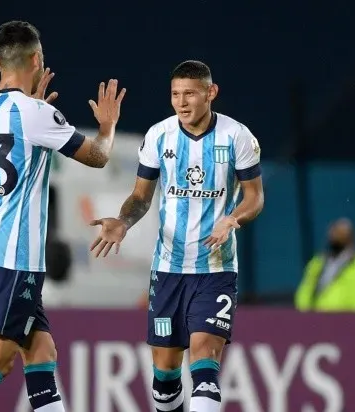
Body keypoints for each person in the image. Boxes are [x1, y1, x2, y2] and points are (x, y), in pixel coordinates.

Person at [0, 20, 126, 412]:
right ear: (37, 59)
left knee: (42, 352)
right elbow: (98, 157)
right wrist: (108, 126)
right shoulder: (36, 113)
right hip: (16, 258)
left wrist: (36, 117)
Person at [90, 60, 264, 412]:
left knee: (204, 360)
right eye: (175, 94)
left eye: (190, 94)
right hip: (168, 268)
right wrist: (124, 221)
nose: (181, 103)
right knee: (166, 374)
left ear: (210, 93)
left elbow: (255, 196)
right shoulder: (159, 136)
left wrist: (232, 219)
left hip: (215, 270)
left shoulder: (237, 137)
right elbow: (140, 197)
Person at [295, 217, 355, 312]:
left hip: (349, 322)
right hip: (316, 322)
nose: (336, 235)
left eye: (341, 232)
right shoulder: (317, 263)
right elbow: (305, 292)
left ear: (351, 237)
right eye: (334, 231)